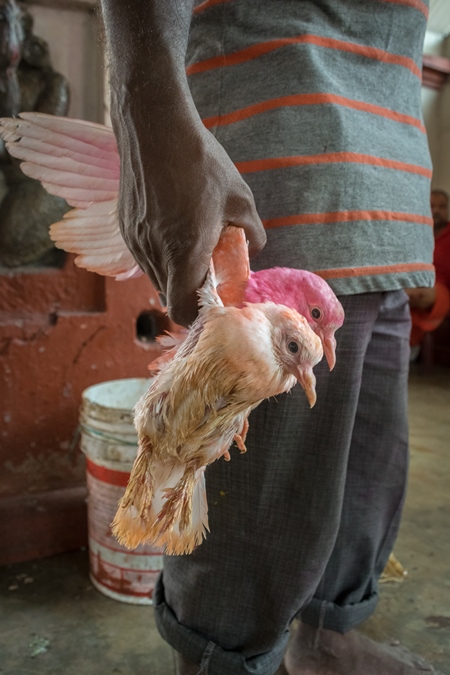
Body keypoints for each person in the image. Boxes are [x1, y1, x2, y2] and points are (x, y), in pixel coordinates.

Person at [99, 2, 436, 674]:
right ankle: (219, 660)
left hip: (396, 204)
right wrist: (144, 104)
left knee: (368, 477)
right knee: (255, 521)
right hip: (284, 167)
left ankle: (323, 638)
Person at [408, 189, 450, 351]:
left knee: (417, 295)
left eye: (442, 206)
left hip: (441, 289)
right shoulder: (416, 233)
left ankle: (411, 343)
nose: (437, 211)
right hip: (413, 281)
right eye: (432, 206)